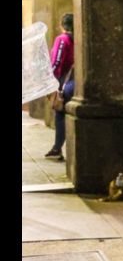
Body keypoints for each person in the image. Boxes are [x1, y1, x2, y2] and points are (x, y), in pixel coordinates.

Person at [44, 13, 75, 161]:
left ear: (62, 25)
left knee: (59, 111)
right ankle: (58, 147)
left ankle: (57, 147)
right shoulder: (79, 38)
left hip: (68, 83)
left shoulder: (62, 39)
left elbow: (56, 62)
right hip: (78, 82)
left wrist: (52, 83)